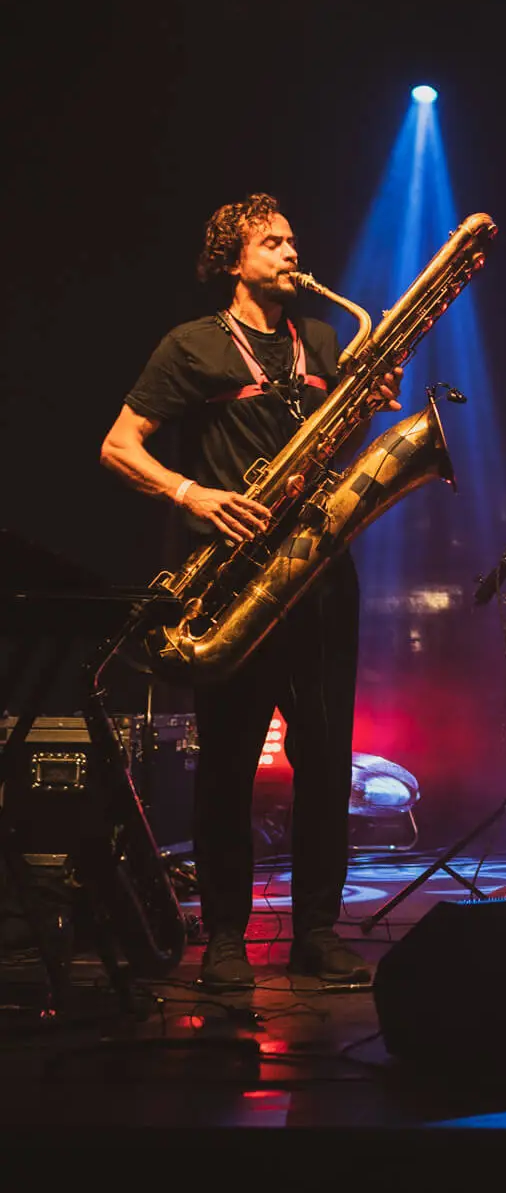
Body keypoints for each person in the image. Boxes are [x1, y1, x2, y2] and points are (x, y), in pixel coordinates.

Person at [100, 194, 399, 988]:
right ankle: (227, 936)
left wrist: (368, 405)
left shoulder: (324, 339)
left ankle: (318, 930)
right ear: (233, 261)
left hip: (320, 578)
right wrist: (191, 493)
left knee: (327, 763)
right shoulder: (191, 345)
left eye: (293, 240)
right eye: (271, 243)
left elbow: (335, 444)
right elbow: (118, 445)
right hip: (233, 585)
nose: (291, 252)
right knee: (229, 765)